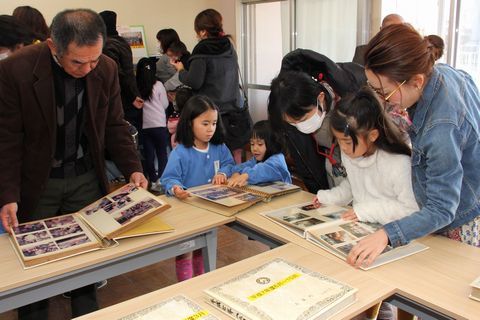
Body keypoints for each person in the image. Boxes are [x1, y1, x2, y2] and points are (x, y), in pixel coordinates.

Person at [0, 9, 147, 319]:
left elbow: (114, 125)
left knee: (87, 263)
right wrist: (8, 195)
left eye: (93, 60)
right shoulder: (17, 70)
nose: (87, 69)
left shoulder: (105, 68)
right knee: (36, 266)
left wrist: (133, 167)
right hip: (38, 183)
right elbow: (7, 139)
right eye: (78, 62)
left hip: (85, 178)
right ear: (54, 46)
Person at [348, 23, 480, 269]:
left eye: (384, 92)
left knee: (442, 293)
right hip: (467, 195)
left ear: (417, 81)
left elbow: (442, 209)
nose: (381, 100)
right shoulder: (441, 73)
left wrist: (386, 234)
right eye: (373, 89)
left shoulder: (440, 128)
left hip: (462, 218)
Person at [314, 87, 419, 225]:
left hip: (394, 232)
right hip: (364, 226)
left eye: (347, 141)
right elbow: (353, 187)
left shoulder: (398, 163)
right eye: (338, 140)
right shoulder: (352, 154)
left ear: (373, 135)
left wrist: (365, 212)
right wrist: (328, 198)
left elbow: (411, 209)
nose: (343, 148)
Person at [160, 95, 235, 281]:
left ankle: (201, 281)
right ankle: (186, 285)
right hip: (187, 212)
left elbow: (229, 163)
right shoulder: (181, 152)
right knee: (185, 250)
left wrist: (223, 173)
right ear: (189, 123)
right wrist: (176, 188)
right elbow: (169, 178)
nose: (211, 129)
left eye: (214, 123)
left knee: (204, 247)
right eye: (205, 123)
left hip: (210, 211)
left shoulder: (219, 147)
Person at [268, 50, 366, 192]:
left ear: (320, 99)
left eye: (302, 119)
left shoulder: (354, 93)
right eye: (292, 123)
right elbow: (308, 166)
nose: (299, 126)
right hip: (335, 188)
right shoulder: (290, 110)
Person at [172, 8, 250, 163]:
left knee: (213, 156)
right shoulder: (229, 45)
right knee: (234, 155)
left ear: (202, 32)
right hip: (235, 111)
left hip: (211, 113)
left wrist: (181, 71)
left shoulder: (202, 49)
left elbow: (195, 81)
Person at [99, 10, 143, 131]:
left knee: (126, 135)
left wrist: (131, 97)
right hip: (132, 92)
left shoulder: (107, 45)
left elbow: (117, 74)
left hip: (124, 98)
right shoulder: (122, 41)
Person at [221, 120, 292, 187]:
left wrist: (246, 175)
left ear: (272, 144)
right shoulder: (256, 159)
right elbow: (240, 166)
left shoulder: (277, 159)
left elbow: (262, 170)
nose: (254, 148)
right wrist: (235, 172)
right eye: (252, 144)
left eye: (260, 144)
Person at [136, 57, 169, 192]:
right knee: (162, 154)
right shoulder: (158, 85)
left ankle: (153, 181)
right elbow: (165, 104)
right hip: (159, 124)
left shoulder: (137, 86)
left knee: (149, 155)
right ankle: (161, 180)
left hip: (145, 126)